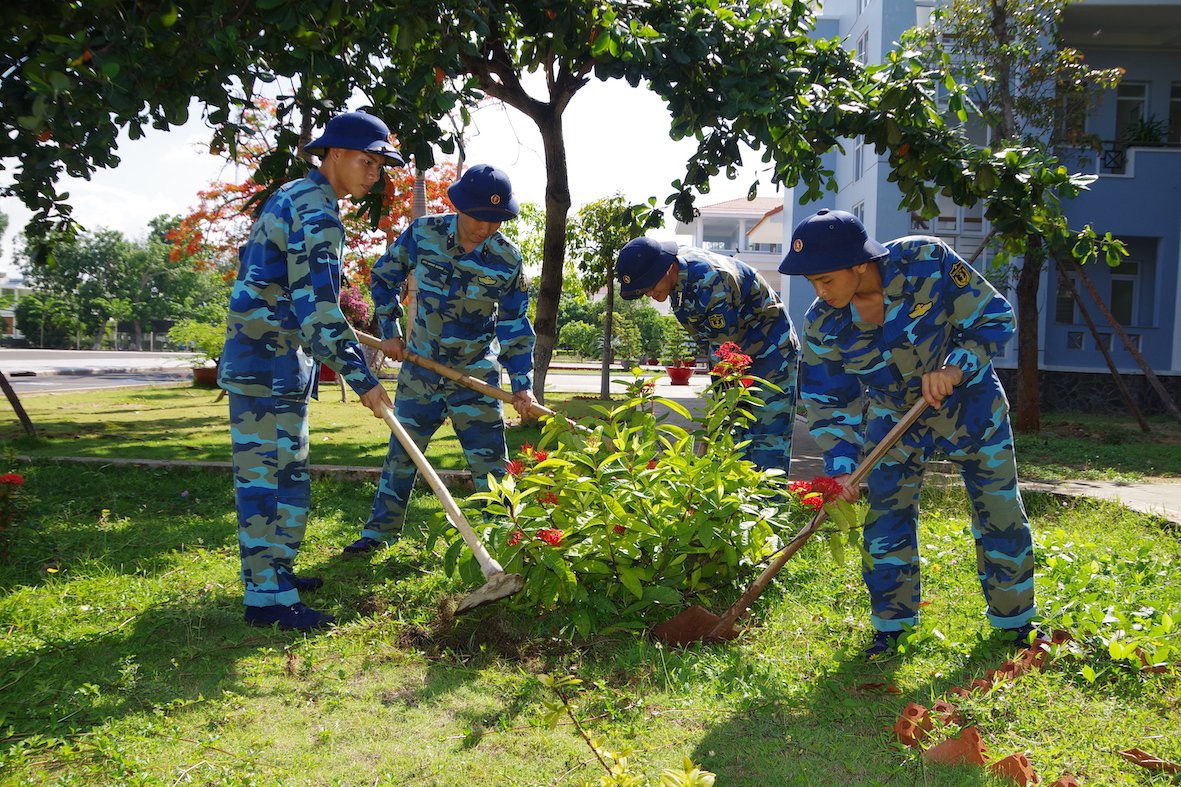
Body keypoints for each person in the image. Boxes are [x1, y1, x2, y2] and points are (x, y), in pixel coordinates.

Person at [778, 208, 1037, 655]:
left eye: (826, 279)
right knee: (885, 521)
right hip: (892, 422)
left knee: (998, 509)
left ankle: (1015, 622)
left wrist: (955, 369)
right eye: (812, 283)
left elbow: (994, 319)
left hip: (970, 405)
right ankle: (892, 627)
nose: (819, 292)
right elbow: (829, 403)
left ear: (860, 262)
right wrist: (841, 469)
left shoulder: (926, 260)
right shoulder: (824, 322)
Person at [218, 111, 400, 631]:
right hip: (266, 365)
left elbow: (299, 302)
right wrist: (364, 380)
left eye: (381, 164)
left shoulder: (297, 195)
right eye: (367, 160)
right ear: (335, 155)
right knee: (266, 484)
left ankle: (278, 572)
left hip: (277, 361)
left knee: (288, 474)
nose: (375, 173)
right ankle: (267, 600)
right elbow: (318, 310)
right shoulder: (316, 210)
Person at [344, 164, 537, 554]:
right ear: (461, 206)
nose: (486, 228)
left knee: (492, 467)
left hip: (476, 375)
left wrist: (522, 386)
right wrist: (391, 332)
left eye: (496, 220)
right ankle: (378, 534)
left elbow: (515, 324)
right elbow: (384, 277)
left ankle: (504, 542)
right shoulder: (424, 233)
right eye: (480, 218)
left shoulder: (506, 258)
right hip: (421, 369)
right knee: (403, 454)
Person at [614, 237, 799, 474]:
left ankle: (770, 506)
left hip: (771, 353)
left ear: (667, 267)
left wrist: (719, 409)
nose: (649, 293)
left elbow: (725, 355)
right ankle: (740, 505)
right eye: (643, 290)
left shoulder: (710, 282)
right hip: (738, 354)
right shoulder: (678, 281)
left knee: (767, 437)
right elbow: (714, 347)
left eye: (650, 284)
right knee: (737, 438)